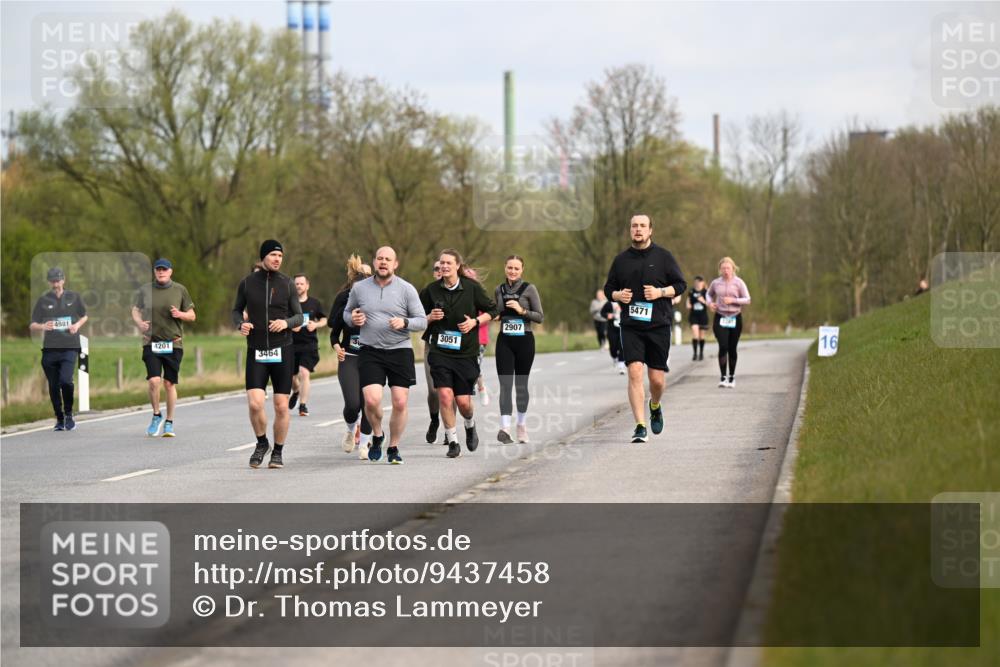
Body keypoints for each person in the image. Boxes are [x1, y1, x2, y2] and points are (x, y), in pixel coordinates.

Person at [604, 214, 687, 443]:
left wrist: (660, 293)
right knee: (634, 372)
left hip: (658, 325)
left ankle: (655, 404)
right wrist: (618, 295)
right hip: (631, 326)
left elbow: (681, 285)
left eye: (642, 226)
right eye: (634, 226)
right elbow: (608, 288)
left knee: (657, 380)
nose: (638, 229)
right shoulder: (620, 260)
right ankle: (640, 425)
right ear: (630, 230)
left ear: (650, 230)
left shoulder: (664, 257)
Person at [345, 246, 427, 465]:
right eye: (380, 258)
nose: (383, 262)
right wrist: (353, 318)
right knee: (371, 401)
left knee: (400, 403)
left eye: (387, 259)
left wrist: (405, 322)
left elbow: (422, 320)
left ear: (395, 264)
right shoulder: (359, 288)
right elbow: (346, 313)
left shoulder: (407, 289)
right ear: (374, 262)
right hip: (370, 351)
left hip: (400, 350)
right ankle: (378, 434)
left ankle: (393, 447)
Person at [232, 240, 304, 469]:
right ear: (263, 256)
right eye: (273, 255)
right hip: (257, 351)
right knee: (255, 404)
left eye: (280, 256)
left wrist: (285, 322)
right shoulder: (247, 284)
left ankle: (278, 452)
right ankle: (262, 443)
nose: (277, 259)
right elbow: (236, 311)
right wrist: (239, 325)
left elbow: (299, 317)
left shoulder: (288, 284)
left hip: (282, 349)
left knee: (281, 406)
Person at [421, 249, 499, 459]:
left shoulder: (472, 288)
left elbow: (494, 311)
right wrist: (429, 317)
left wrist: (474, 322)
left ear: (457, 266)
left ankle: (470, 424)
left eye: (449, 263)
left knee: (463, 402)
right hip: (440, 351)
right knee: (444, 395)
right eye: (442, 263)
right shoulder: (431, 290)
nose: (444, 266)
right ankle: (453, 441)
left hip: (465, 352)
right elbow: (416, 315)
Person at [131, 258, 196, 437]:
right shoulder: (145, 290)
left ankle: (169, 421)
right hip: (151, 341)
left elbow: (192, 315)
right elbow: (135, 310)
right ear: (154, 272)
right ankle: (156, 415)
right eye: (158, 269)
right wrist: (139, 323)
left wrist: (180, 314)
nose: (161, 272)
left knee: (168, 383)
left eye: (164, 270)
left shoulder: (180, 290)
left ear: (170, 272)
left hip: (173, 343)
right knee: (154, 381)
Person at [29, 267, 88, 431]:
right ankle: (59, 418)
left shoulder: (74, 297)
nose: (56, 283)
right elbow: (32, 324)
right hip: (50, 349)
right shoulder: (43, 300)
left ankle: (69, 414)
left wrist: (76, 325)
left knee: (66, 381)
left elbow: (84, 315)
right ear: (49, 282)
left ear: (64, 280)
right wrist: (42, 326)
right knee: (54, 385)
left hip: (69, 346)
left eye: (58, 280)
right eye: (53, 280)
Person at [494, 255, 544, 444]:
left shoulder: (529, 289)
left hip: (524, 341)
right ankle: (504, 428)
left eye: (516, 268)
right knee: (505, 384)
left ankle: (521, 425)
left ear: (522, 270)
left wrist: (522, 311)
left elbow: (540, 317)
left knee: (521, 386)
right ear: (504, 268)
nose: (512, 271)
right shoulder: (498, 289)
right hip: (504, 341)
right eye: (509, 268)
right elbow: (497, 312)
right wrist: (496, 316)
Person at [329, 256, 374, 458]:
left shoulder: (378, 298)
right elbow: (333, 329)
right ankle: (350, 429)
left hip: (372, 357)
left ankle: (364, 444)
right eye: (361, 276)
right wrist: (336, 346)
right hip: (348, 356)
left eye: (368, 276)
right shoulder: (344, 297)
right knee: (353, 404)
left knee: (368, 404)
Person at [706, 257, 751, 389]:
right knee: (723, 346)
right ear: (720, 269)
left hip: (735, 317)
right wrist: (710, 303)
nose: (726, 270)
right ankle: (723, 377)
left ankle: (731, 377)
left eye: (728, 268)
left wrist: (733, 300)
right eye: (723, 268)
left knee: (732, 348)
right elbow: (708, 295)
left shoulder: (739, 283)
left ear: (733, 268)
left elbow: (748, 299)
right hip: (720, 316)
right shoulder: (716, 283)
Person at [288, 273, 327, 417]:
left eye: (301, 283)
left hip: (309, 344)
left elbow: (324, 319)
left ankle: (303, 406)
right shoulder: (289, 303)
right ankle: (296, 391)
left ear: (307, 286)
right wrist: (291, 326)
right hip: (291, 344)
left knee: (304, 372)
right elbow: (283, 320)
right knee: (291, 377)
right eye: (296, 284)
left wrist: (315, 324)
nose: (298, 286)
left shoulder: (314, 303)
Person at [421, 261, 443, 444]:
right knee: (434, 391)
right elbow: (415, 319)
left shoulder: (462, 290)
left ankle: (449, 430)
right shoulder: (428, 292)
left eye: (444, 266)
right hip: (432, 344)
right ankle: (435, 420)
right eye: (436, 268)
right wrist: (429, 318)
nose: (440, 270)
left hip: (454, 347)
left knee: (449, 390)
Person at [686, 276, 708, 361]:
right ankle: (695, 354)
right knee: (695, 334)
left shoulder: (706, 292)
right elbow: (687, 303)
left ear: (702, 283)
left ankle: (701, 353)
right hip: (693, 316)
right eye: (696, 282)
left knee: (701, 336)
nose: (697, 284)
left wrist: (703, 301)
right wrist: (688, 305)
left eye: (699, 282)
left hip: (703, 316)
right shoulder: (691, 291)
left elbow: (710, 304)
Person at [601, 299, 625, 374]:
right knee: (613, 346)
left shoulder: (623, 301)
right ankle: (614, 357)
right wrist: (607, 315)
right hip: (612, 328)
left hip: (622, 327)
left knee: (621, 345)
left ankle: (621, 365)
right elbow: (602, 313)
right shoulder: (608, 304)